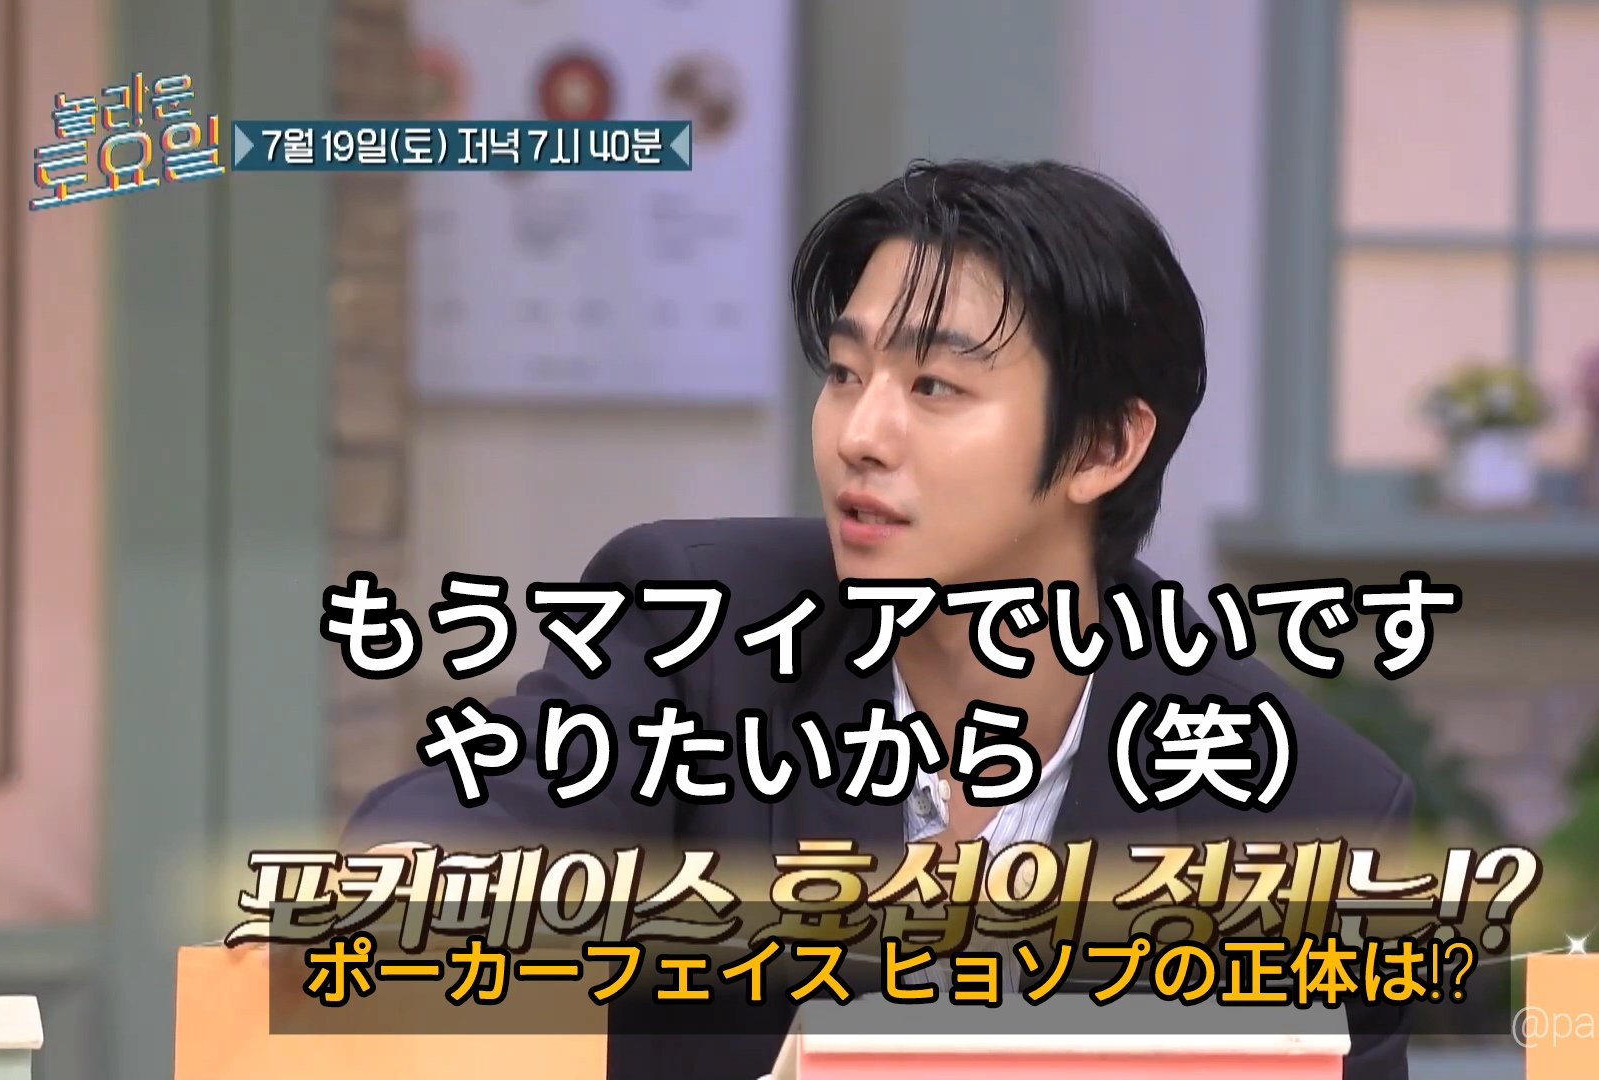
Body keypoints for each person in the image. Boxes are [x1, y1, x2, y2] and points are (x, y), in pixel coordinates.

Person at [345, 159, 1416, 1079]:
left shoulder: (1313, 809)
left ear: (1103, 446)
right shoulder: (700, 637)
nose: (861, 433)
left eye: (935, 386)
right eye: (846, 373)